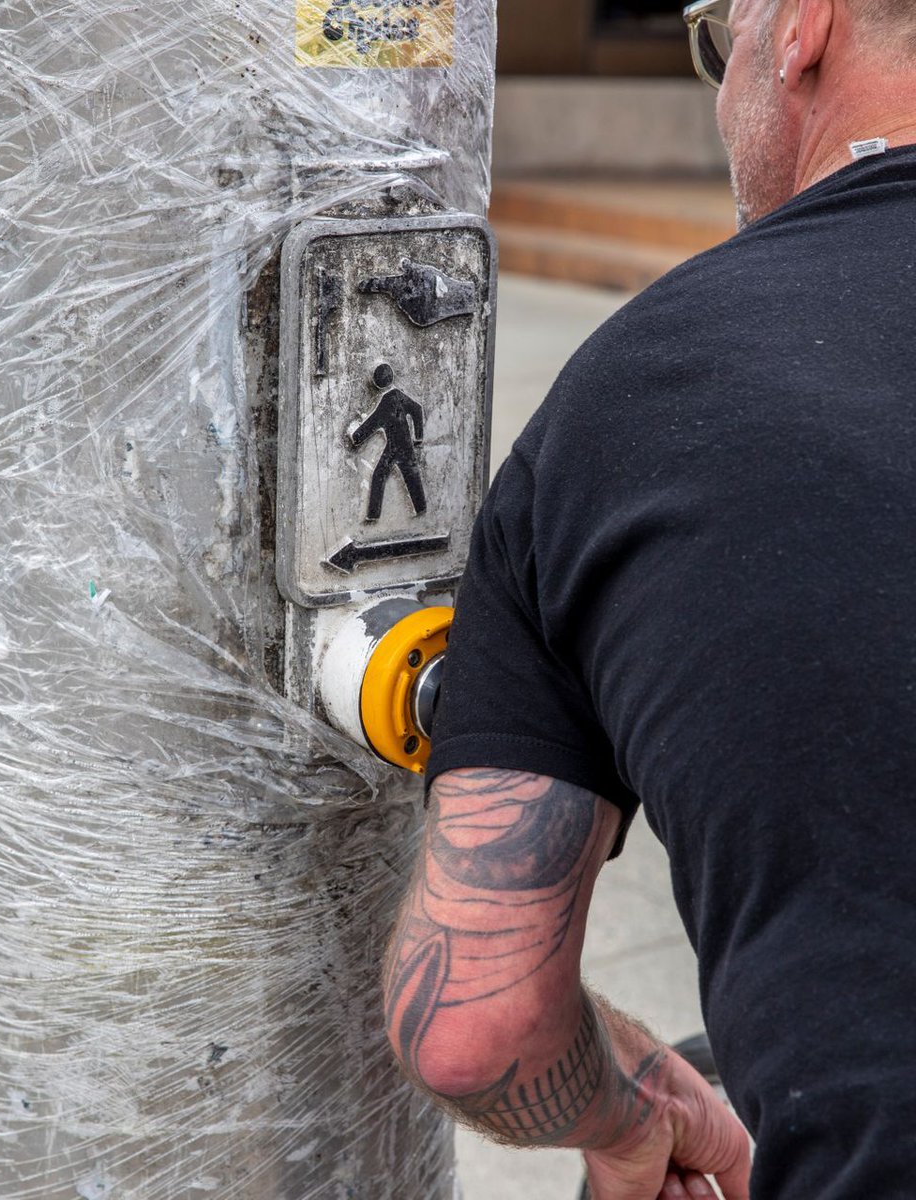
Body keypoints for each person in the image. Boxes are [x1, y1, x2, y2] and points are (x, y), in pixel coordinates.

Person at [382, 0, 916, 1196]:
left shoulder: (639, 395)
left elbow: (475, 1023)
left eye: (714, 44)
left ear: (803, 27)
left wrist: (633, 1112)